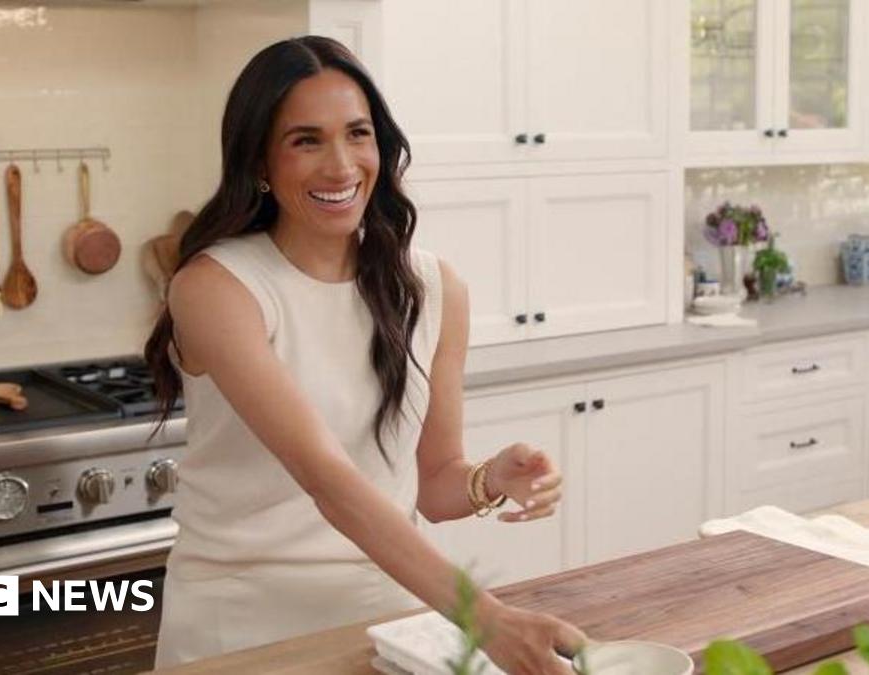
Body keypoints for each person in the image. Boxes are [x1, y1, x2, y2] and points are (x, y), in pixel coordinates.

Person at [143, 36, 587, 674]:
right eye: (306, 140)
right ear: (260, 162)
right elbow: (330, 484)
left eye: (358, 134)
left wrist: (491, 480)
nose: (341, 165)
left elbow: (432, 487)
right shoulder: (218, 288)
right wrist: (487, 619)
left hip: (390, 625)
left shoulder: (433, 287)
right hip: (239, 629)